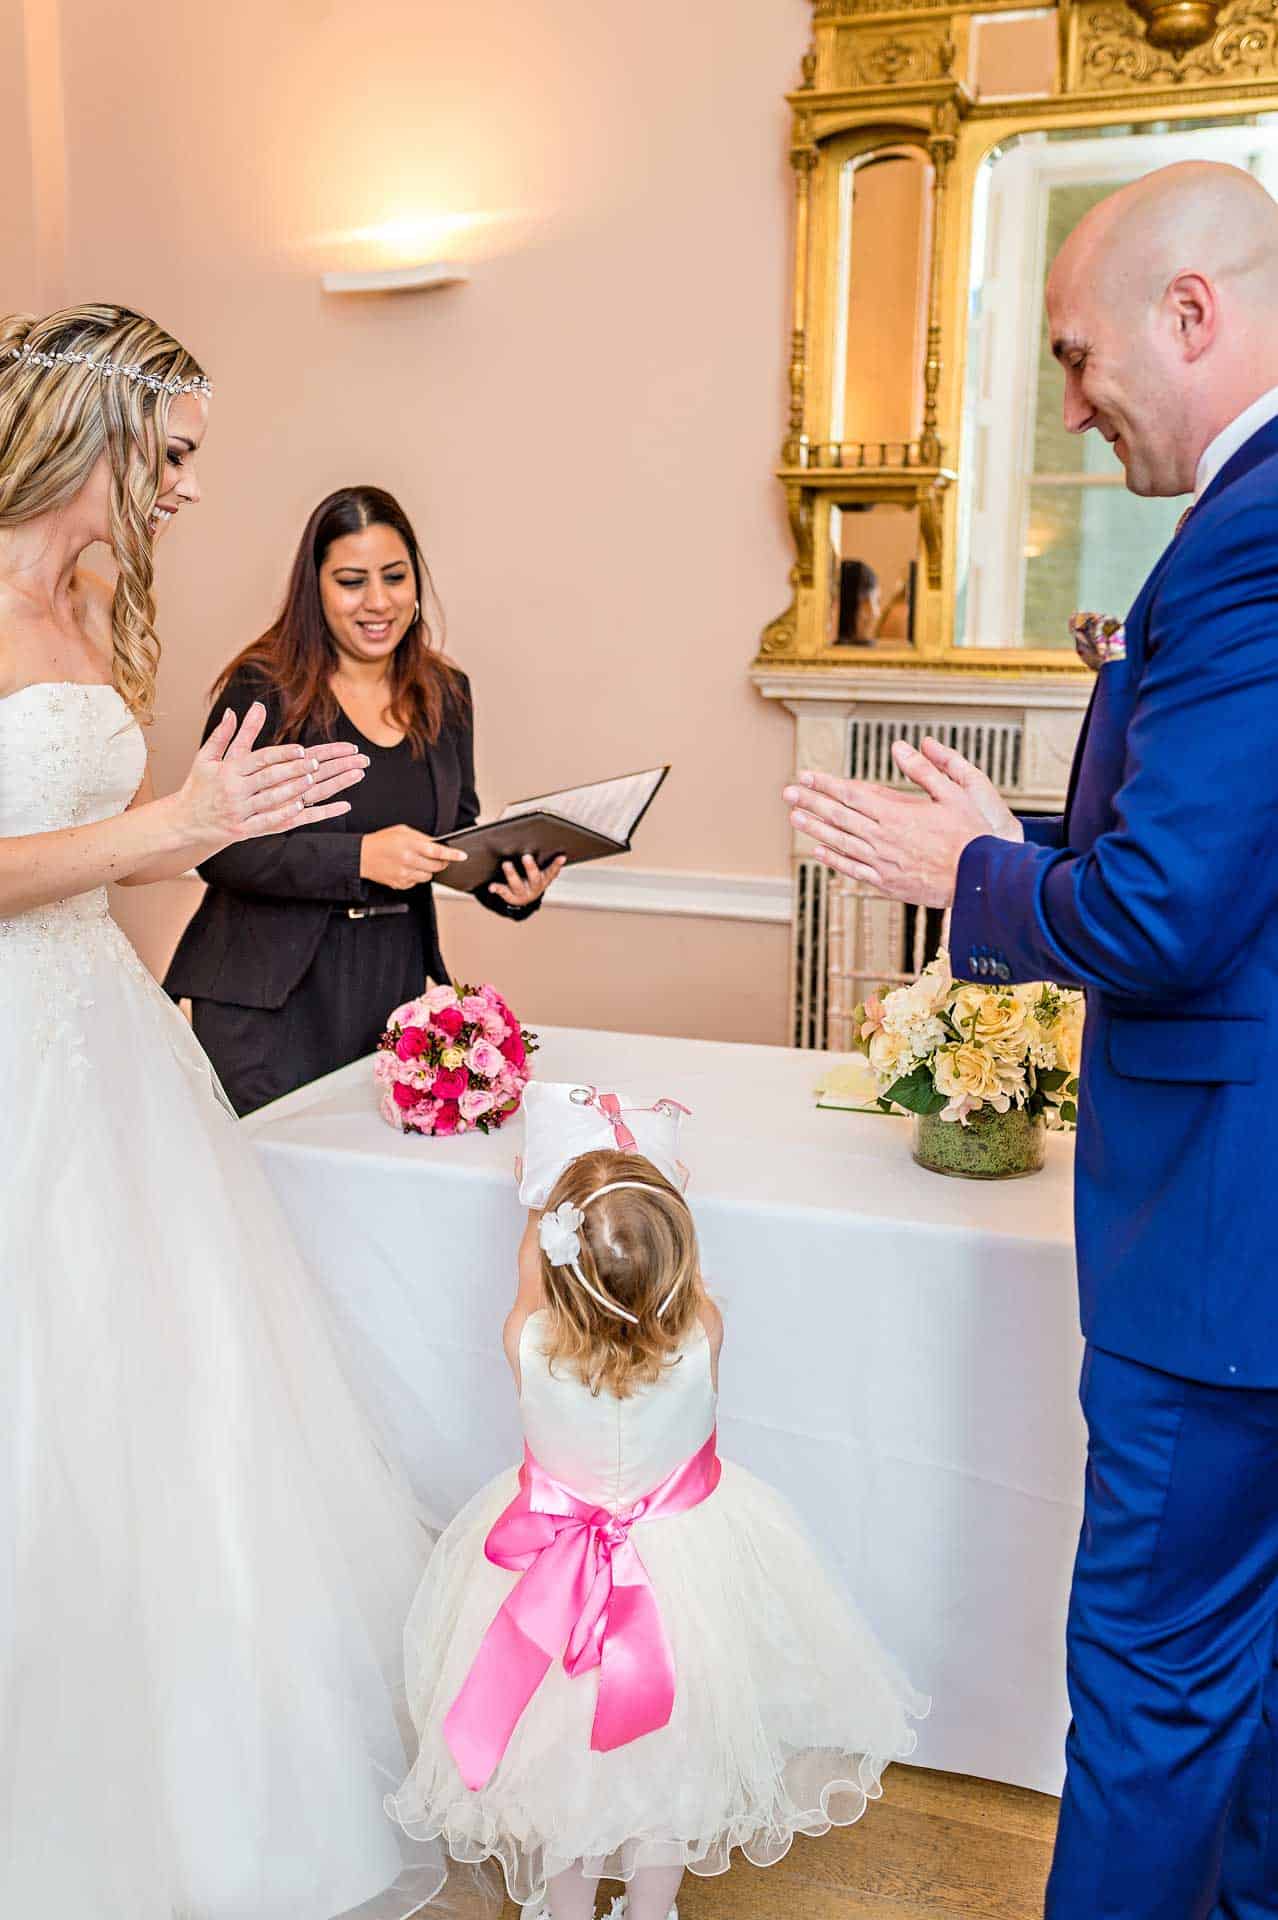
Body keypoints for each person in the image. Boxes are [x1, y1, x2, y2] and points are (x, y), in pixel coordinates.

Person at [785, 160, 1278, 1916]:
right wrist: (1024, 842)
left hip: (1218, 1253)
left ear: (1192, 315)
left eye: (1075, 355)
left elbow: (1161, 919)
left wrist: (975, 876)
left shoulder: (1249, 537)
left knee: (1150, 1684)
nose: (1068, 405)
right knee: (1241, 1695)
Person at [0, 304, 454, 1918]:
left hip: (100, 1040)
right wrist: (167, 830)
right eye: (173, 455)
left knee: (175, 1403)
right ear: (91, 429)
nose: (191, 489)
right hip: (15, 1049)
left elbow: (118, 839)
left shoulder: (101, 591)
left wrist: (212, 825)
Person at [386, 1133, 925, 1920]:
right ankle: (650, 1912)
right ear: (680, 1258)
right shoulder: (702, 1330)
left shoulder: (528, 1342)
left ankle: (565, 1911)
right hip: (687, 1578)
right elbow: (673, 1271)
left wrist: (538, 1200)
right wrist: (659, 1199)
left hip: (552, 1581)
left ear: (553, 1263)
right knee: (677, 1766)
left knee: (560, 1775)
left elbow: (531, 1285)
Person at [165, 485, 562, 1115]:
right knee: (265, 1198)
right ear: (314, 588)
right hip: (266, 1000)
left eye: (395, 577)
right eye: (351, 581)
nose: (378, 602)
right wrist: (357, 859)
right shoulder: (265, 686)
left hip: (392, 993)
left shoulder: (446, 692)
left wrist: (507, 882)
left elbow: (452, 833)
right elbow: (216, 849)